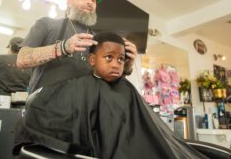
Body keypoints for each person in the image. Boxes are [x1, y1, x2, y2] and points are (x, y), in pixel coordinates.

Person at [14, 32, 207, 159]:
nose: (116, 64)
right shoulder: (80, 88)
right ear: (91, 59)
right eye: (109, 58)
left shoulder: (127, 89)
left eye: (121, 59)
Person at [16, 0, 137, 93]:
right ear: (69, 1)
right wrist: (63, 47)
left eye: (93, 0)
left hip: (81, 111)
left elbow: (106, 80)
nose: (90, 2)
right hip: (43, 109)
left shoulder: (98, 41)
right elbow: (22, 59)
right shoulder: (46, 24)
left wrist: (126, 66)